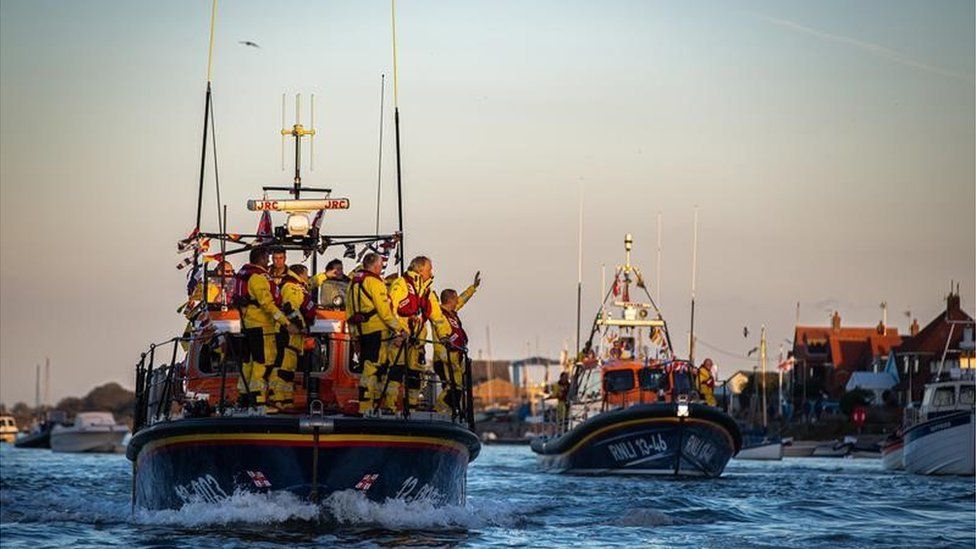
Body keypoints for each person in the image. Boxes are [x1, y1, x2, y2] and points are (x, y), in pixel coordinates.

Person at [234, 246, 298, 408]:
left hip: (247, 325)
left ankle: (243, 397)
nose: (269, 261)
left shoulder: (244, 275)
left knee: (248, 362)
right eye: (267, 258)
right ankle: (259, 401)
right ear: (261, 258)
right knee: (263, 362)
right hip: (262, 326)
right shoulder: (258, 277)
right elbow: (267, 304)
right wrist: (286, 322)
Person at [346, 253, 404, 413]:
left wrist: (354, 336)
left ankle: (376, 403)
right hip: (376, 331)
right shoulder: (375, 283)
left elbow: (349, 312)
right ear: (376, 266)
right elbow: (385, 312)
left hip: (362, 332)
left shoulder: (353, 283)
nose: (381, 268)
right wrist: (400, 329)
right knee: (372, 369)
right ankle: (366, 406)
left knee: (377, 368)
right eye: (381, 265)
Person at [389, 256, 449, 411]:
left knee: (415, 375)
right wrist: (397, 332)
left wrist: (444, 336)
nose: (431, 272)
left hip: (417, 342)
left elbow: (437, 317)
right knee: (396, 371)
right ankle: (389, 405)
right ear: (421, 270)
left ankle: (412, 407)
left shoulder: (427, 291)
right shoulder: (400, 284)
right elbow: (391, 309)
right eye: (429, 269)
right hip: (400, 338)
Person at [267, 264, 316, 412]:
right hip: (287, 332)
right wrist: (301, 326)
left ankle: (286, 400)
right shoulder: (292, 287)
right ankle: (276, 399)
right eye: (306, 274)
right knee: (282, 367)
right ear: (300, 274)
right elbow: (290, 308)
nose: (307, 278)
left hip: (293, 335)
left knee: (288, 369)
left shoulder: (297, 286)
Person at [432, 271, 481, 414]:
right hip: (444, 356)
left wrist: (473, 288)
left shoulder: (452, 312)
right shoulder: (440, 313)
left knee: (457, 386)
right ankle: (441, 409)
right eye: (455, 299)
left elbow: (462, 299)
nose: (457, 301)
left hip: (455, 356)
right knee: (452, 386)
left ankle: (451, 410)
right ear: (450, 299)